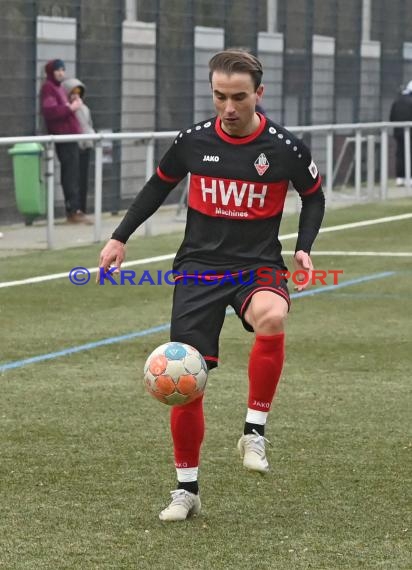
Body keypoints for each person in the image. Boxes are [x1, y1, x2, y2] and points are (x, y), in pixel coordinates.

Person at [98, 49, 325, 522]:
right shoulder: (192, 142)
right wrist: (120, 237)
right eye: (220, 96)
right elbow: (157, 186)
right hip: (199, 268)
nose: (228, 107)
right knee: (186, 380)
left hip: (257, 265)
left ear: (258, 94)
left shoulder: (284, 148)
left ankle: (254, 431)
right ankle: (187, 491)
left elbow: (313, 196)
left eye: (239, 97)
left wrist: (303, 246)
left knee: (273, 315)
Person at [40, 59, 91, 224]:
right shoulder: (49, 87)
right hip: (63, 136)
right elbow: (50, 111)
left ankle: (75, 209)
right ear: (51, 72)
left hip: (71, 136)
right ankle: (73, 210)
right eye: (58, 70)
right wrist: (70, 108)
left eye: (63, 69)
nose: (61, 73)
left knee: (74, 173)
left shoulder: (58, 87)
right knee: (70, 174)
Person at [62, 78, 96, 214]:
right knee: (73, 179)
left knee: (83, 179)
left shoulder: (85, 109)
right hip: (75, 147)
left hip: (86, 146)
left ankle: (82, 208)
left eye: (78, 92)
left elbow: (88, 125)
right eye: (72, 93)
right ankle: (74, 209)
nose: (76, 95)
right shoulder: (68, 109)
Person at [389, 80, 412, 186]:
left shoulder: (397, 101)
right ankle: (410, 177)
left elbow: (392, 117)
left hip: (398, 132)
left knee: (400, 154)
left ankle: (400, 177)